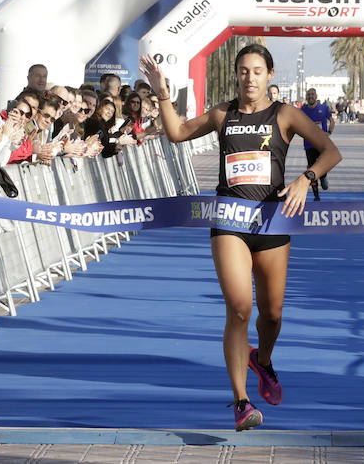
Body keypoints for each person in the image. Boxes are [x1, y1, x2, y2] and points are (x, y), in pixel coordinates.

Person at [140, 45, 341, 432]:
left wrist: (306, 178)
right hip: (230, 222)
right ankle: (241, 402)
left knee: (273, 314)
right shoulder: (222, 114)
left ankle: (262, 360)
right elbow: (177, 132)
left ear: (269, 74)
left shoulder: (285, 114)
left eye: (256, 71)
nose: (249, 78)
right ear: (236, 75)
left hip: (273, 225)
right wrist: (161, 93)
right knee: (239, 308)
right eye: (243, 71)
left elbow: (331, 151)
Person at [298, 89, 333, 200]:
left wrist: (329, 132)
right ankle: (316, 195)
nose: (310, 96)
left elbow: (332, 121)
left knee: (322, 165)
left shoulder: (324, 108)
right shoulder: (303, 110)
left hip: (322, 143)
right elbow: (297, 123)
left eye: (312, 94)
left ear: (316, 96)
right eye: (308, 95)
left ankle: (323, 175)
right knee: (312, 169)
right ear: (306, 97)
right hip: (309, 144)